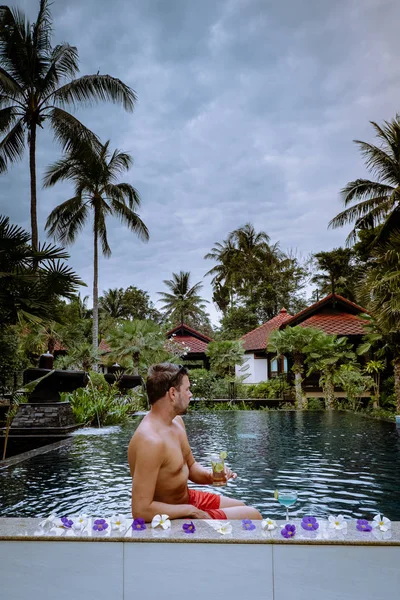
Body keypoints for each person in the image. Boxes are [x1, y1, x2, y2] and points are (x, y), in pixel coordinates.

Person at [128, 363, 262, 522]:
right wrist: (191, 511)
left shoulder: (177, 422)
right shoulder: (150, 441)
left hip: (187, 499)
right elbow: (140, 510)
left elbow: (190, 466)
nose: (190, 394)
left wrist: (212, 476)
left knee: (241, 505)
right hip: (171, 515)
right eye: (187, 389)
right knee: (253, 515)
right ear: (172, 393)